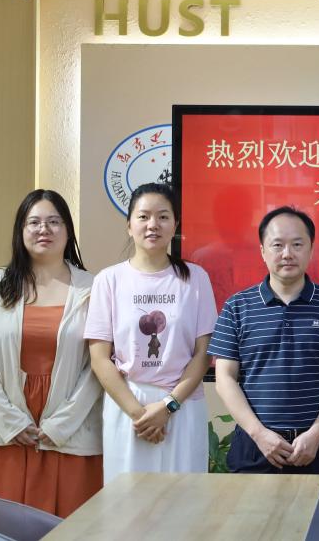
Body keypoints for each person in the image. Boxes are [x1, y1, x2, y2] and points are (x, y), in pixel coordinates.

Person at [0, 189, 103, 516]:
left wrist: (62, 424)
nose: (44, 229)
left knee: (70, 528)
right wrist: (10, 421)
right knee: (0, 527)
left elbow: (99, 365)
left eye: (54, 222)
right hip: (5, 431)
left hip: (69, 432)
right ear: (21, 230)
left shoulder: (93, 288)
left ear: (68, 230)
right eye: (35, 222)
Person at [85, 183, 218, 483]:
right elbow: (99, 358)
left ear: (176, 225)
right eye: (143, 216)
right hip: (129, 405)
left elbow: (203, 353)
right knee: (127, 502)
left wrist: (168, 406)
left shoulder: (195, 278)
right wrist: (139, 415)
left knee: (184, 499)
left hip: (182, 403)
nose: (152, 225)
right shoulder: (109, 280)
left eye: (163, 217)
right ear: (129, 225)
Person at [209, 206, 319, 474]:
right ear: (262, 251)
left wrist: (316, 434)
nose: (287, 254)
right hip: (253, 445)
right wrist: (260, 434)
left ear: (311, 249)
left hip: (313, 447)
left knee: (315, 504)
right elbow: (225, 378)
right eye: (277, 245)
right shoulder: (237, 307)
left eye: (297, 244)